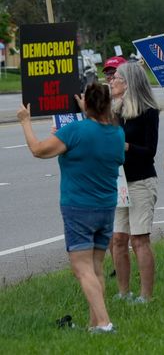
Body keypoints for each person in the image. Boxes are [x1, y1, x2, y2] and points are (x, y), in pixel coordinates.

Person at [18, 83, 124, 333]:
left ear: (87, 103)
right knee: (96, 267)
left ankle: (105, 323)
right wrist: (88, 110)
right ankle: (94, 322)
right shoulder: (117, 134)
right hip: (106, 206)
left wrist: (25, 121)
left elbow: (38, 150)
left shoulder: (74, 131)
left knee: (81, 267)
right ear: (108, 104)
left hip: (78, 207)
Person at [109, 61, 160, 304]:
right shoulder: (115, 112)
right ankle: (123, 291)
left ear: (128, 83)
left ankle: (145, 295)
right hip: (119, 181)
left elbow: (150, 150)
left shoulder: (148, 111)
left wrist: (126, 146)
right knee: (118, 239)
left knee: (139, 239)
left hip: (141, 180)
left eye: (116, 77)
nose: (111, 81)